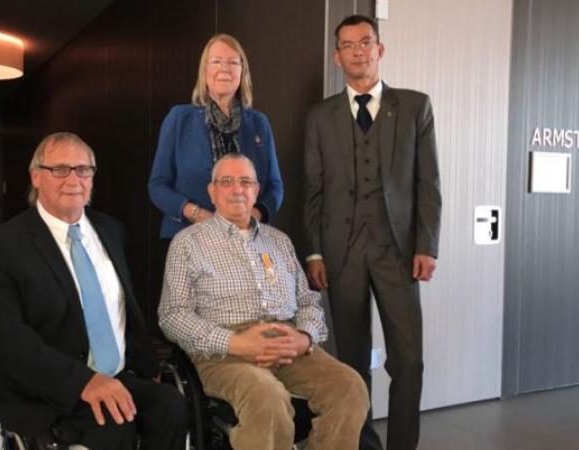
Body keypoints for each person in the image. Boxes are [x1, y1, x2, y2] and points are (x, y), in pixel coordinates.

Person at [0, 132, 187, 450]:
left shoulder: (111, 230)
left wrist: (146, 363)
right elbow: (3, 337)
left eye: (83, 169)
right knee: (114, 425)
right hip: (43, 385)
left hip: (115, 374)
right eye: (59, 169)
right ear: (36, 177)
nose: (73, 178)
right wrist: (82, 382)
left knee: (169, 405)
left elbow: (122, 305)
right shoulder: (2, 245)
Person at [159, 153, 368, 450]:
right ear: (212, 191)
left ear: (256, 191)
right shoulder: (188, 242)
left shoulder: (279, 241)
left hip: (288, 343)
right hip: (225, 352)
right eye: (226, 181)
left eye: (245, 181)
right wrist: (235, 342)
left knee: (350, 387)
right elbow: (172, 315)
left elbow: (309, 301)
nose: (237, 189)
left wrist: (305, 338)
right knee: (267, 398)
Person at [302, 15, 442, 450]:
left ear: (379, 50)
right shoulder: (320, 116)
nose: (358, 51)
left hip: (398, 252)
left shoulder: (415, 107)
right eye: (348, 44)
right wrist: (314, 254)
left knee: (409, 360)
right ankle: (363, 443)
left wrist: (427, 245)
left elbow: (429, 184)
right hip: (340, 254)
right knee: (351, 361)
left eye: (366, 42)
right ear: (337, 55)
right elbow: (313, 189)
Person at [148, 33, 284, 239]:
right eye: (216, 61)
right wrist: (198, 215)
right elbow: (158, 185)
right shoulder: (179, 118)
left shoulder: (259, 123)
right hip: (189, 236)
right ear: (205, 71)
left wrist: (251, 217)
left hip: (247, 239)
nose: (225, 69)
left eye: (233, 62)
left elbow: (275, 187)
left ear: (242, 72)